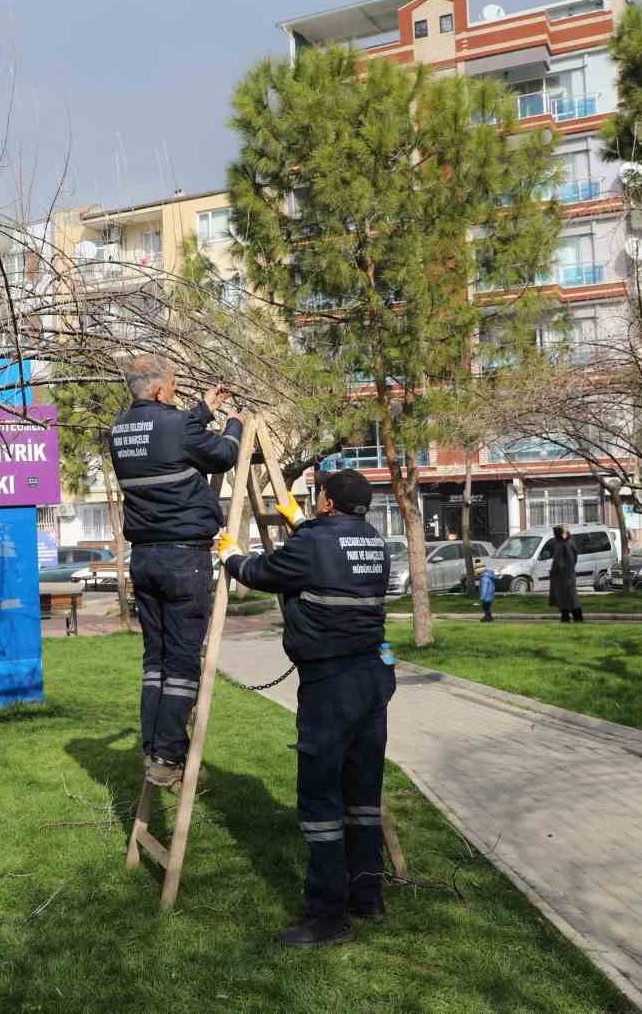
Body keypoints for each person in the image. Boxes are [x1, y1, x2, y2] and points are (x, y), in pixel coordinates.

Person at [218, 468, 393, 949]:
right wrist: (300, 523)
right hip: (372, 680)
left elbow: (259, 574)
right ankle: (367, 897)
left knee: (321, 803)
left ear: (329, 505)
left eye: (318, 498)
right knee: (362, 794)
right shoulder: (376, 543)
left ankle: (327, 917)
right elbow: (329, 555)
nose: (314, 503)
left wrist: (230, 555)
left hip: (330, 684)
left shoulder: (313, 543)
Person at [109, 356, 243, 790]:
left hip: (144, 559)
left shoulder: (119, 429)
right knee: (183, 664)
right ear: (161, 390)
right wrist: (234, 422)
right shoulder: (178, 427)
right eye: (174, 385)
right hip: (183, 559)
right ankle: (167, 757)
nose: (175, 390)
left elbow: (165, 436)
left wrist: (203, 409)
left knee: (156, 662)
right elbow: (222, 455)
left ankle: (154, 748)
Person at [549, 525, 583, 623]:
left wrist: (558, 570)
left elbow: (565, 560)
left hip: (565, 576)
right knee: (564, 598)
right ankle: (566, 617)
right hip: (564, 576)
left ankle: (576, 617)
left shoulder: (566, 544)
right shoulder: (563, 543)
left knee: (570, 598)